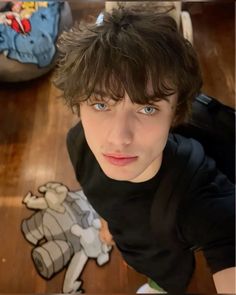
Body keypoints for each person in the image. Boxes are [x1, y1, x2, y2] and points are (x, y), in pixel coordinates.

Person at [53, 8, 235, 293]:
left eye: (147, 108)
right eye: (101, 105)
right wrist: (106, 223)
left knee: (161, 282)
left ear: (175, 115)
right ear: (79, 105)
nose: (118, 138)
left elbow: (226, 230)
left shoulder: (196, 193)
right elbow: (98, 191)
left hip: (167, 268)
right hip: (133, 247)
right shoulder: (78, 141)